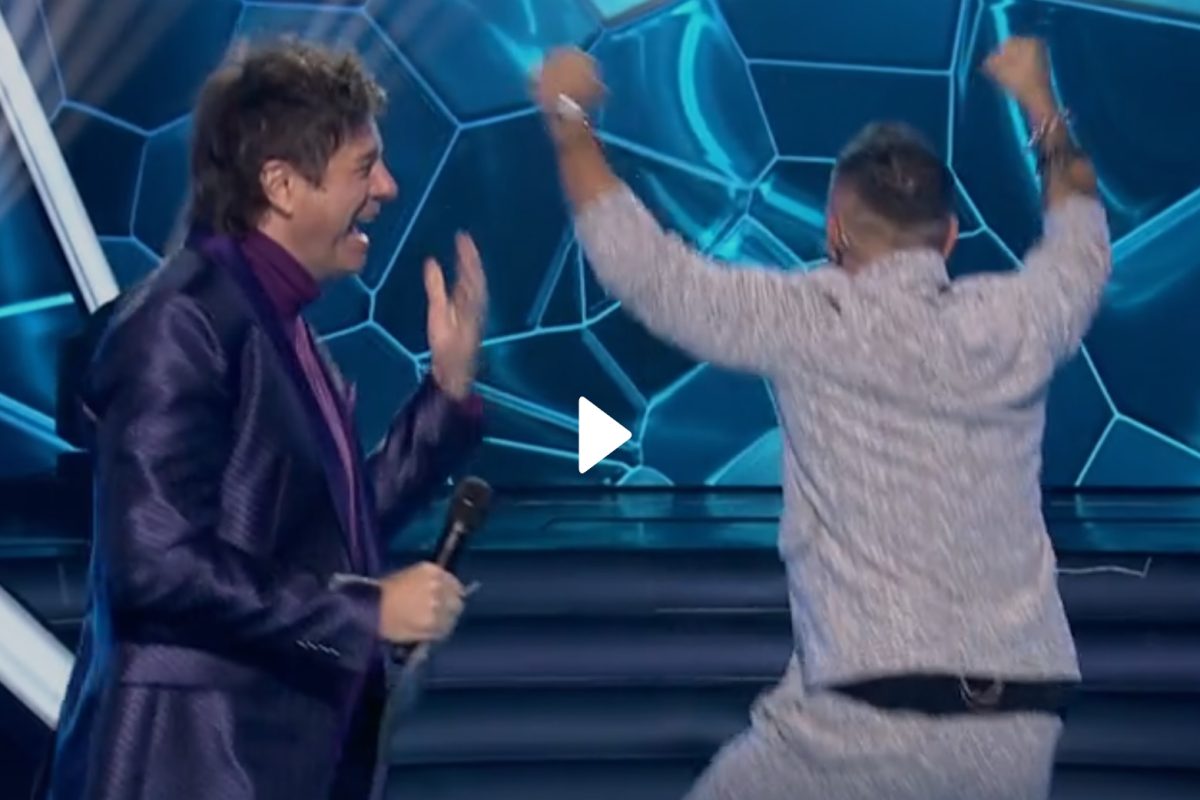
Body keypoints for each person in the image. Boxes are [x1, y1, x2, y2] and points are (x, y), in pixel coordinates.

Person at [535, 36, 1109, 800]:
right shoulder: (1020, 320)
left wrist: (570, 121)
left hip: (861, 726)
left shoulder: (812, 318)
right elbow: (1082, 242)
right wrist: (1039, 99)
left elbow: (650, 273)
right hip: (1020, 727)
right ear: (949, 237)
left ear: (835, 231)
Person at [37, 40, 487, 800]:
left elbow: (319, 536)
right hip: (186, 769)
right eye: (364, 167)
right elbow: (156, 565)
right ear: (281, 185)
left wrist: (445, 395)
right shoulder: (183, 325)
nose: (387, 187)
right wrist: (368, 613)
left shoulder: (276, 327)